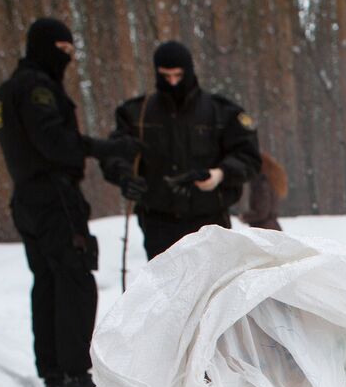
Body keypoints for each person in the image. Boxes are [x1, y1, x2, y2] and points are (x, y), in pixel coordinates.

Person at [0, 17, 143, 387]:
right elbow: (54, 143)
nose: (68, 58)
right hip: (53, 196)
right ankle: (74, 374)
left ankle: (54, 371)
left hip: (28, 197)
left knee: (48, 281)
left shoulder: (10, 90)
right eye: (62, 50)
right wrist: (104, 149)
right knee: (73, 279)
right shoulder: (36, 88)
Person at [101, 41, 262, 259]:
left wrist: (220, 174)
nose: (173, 82)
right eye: (166, 76)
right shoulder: (137, 114)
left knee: (214, 279)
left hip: (210, 221)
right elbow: (113, 154)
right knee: (168, 281)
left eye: (178, 75)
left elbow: (249, 157)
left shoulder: (221, 112)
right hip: (158, 222)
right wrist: (124, 176)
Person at [241, 152, 288, 231]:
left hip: (264, 229)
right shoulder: (271, 182)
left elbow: (262, 212)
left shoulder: (262, 184)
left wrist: (245, 217)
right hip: (271, 228)